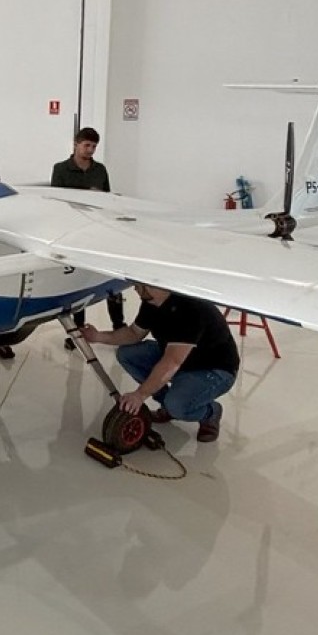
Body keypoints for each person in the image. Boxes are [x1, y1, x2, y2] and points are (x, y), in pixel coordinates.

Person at [80, 283, 239, 443]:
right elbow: (134, 333)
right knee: (127, 354)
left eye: (140, 285)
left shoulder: (191, 308)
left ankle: (210, 412)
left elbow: (172, 362)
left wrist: (140, 395)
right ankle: (166, 405)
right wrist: (98, 336)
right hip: (178, 356)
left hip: (213, 370)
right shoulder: (152, 302)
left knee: (177, 406)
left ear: (156, 285)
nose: (135, 289)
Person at [50, 127, 125, 335]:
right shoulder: (61, 169)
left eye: (93, 146)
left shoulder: (100, 170)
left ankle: (119, 324)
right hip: (74, 230)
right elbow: (56, 200)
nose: (90, 150)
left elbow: (107, 198)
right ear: (76, 144)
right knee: (78, 280)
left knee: (110, 277)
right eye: (87, 145)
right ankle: (78, 327)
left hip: (98, 228)